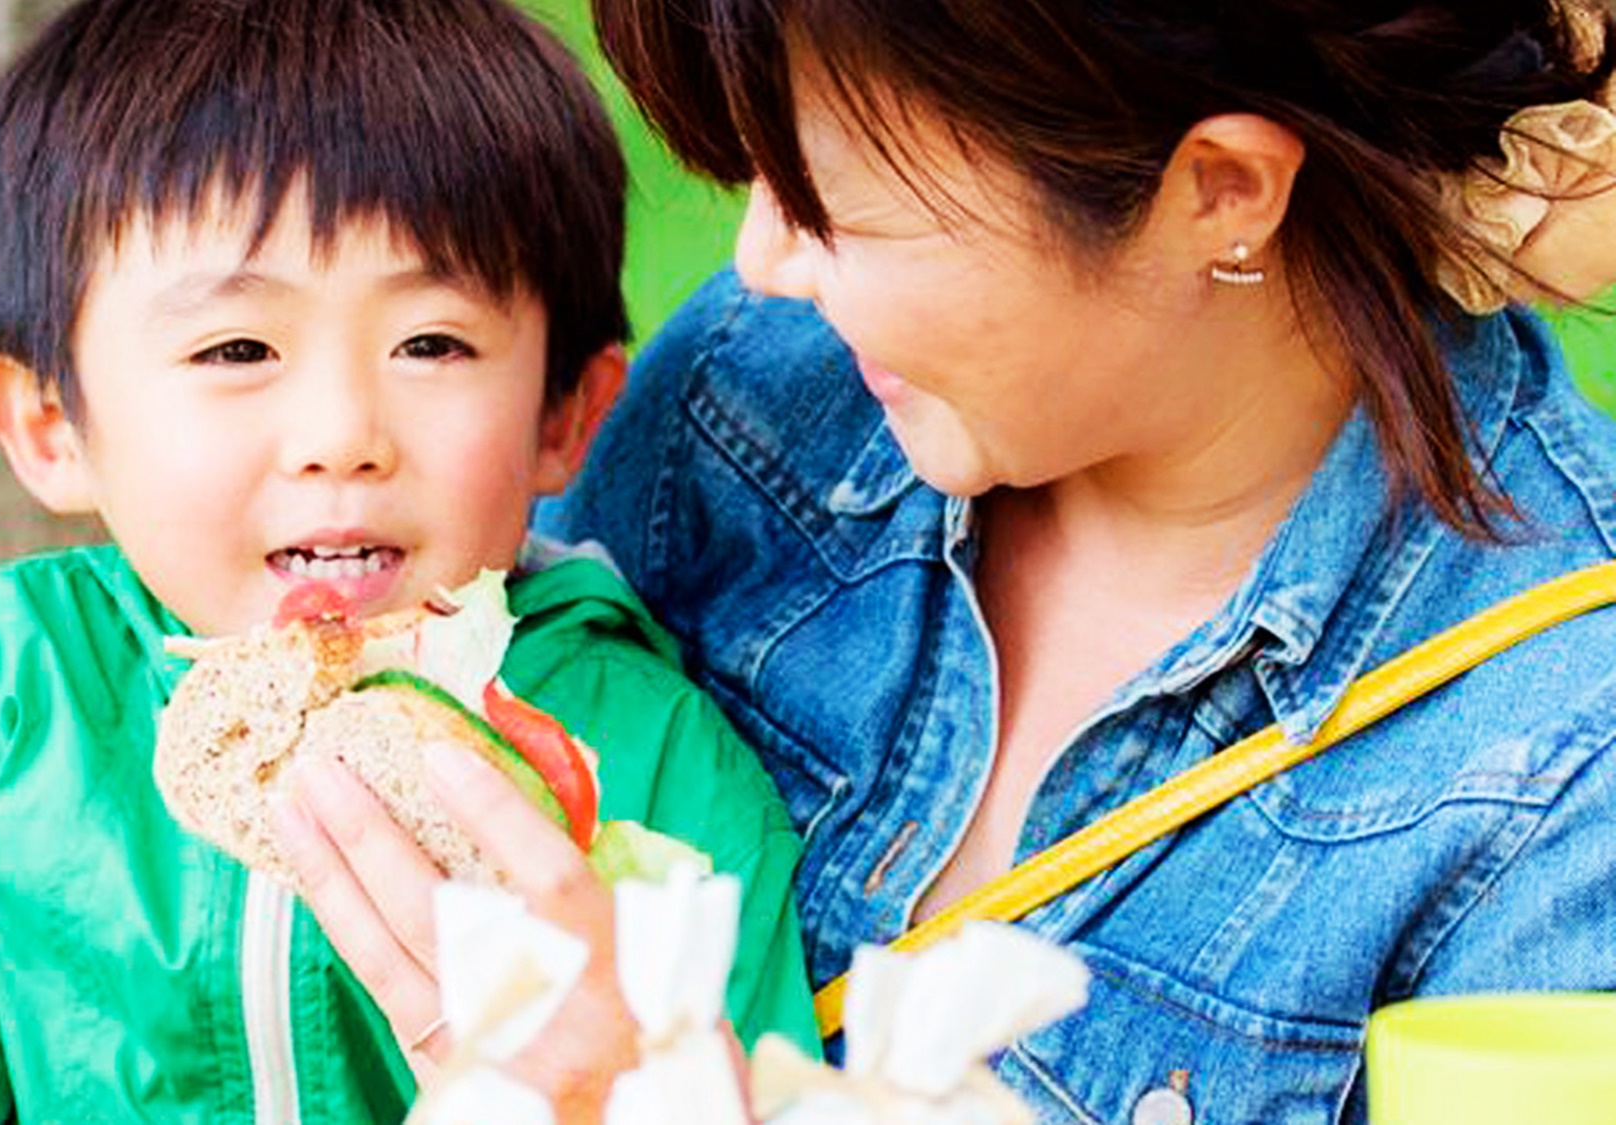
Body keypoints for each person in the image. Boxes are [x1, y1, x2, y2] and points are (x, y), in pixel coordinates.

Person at [285, 1, 1616, 1124]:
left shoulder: (1562, 769)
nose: (760, 260)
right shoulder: (749, 401)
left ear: (1223, 191)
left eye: (832, 206)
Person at [0, 1, 820, 1121]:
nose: (340, 436)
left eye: (430, 343)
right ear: (48, 425)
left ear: (564, 415)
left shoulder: (655, 763)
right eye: (236, 348)